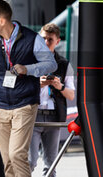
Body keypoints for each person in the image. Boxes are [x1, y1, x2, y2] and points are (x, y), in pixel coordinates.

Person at [0, 0, 57, 177]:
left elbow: (50, 64)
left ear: (1, 21)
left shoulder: (32, 38)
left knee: (17, 155)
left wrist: (28, 69)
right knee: (7, 160)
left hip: (24, 104)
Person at [28, 23, 75, 177]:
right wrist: (37, 84)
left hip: (53, 116)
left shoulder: (64, 64)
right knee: (30, 161)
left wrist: (59, 86)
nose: (45, 43)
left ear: (57, 41)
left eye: (50, 39)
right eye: (43, 39)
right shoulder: (28, 62)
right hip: (32, 115)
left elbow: (71, 95)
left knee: (51, 164)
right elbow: (15, 87)